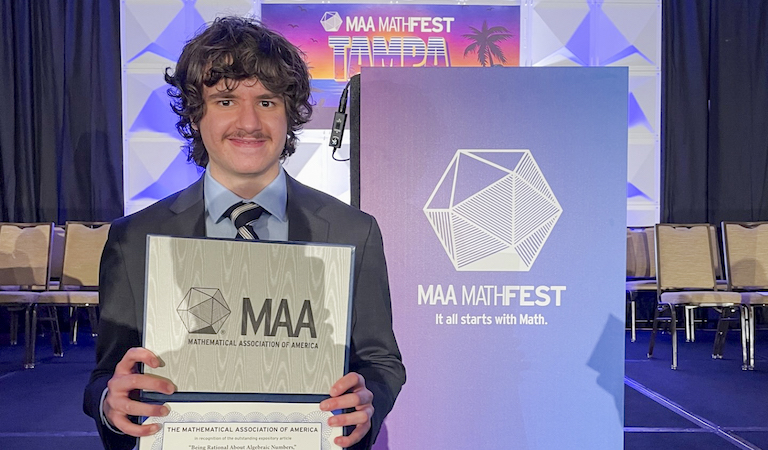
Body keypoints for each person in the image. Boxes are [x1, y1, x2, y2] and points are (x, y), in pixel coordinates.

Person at [83, 16, 405, 450]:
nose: (249, 122)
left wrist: (369, 399)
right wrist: (110, 402)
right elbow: (106, 374)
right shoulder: (135, 238)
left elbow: (381, 360)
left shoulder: (353, 230)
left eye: (268, 102)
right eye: (226, 101)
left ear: (290, 114)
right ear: (196, 115)